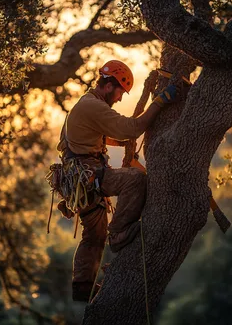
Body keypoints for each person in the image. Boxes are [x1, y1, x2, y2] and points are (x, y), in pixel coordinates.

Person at [56, 60, 177, 302]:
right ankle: (120, 232)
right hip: (87, 176)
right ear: (110, 86)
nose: (120, 98)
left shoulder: (86, 103)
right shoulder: (93, 106)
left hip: (79, 178)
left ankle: (82, 288)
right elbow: (132, 128)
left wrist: (120, 144)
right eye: (120, 92)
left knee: (94, 235)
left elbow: (91, 136)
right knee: (134, 179)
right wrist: (160, 102)